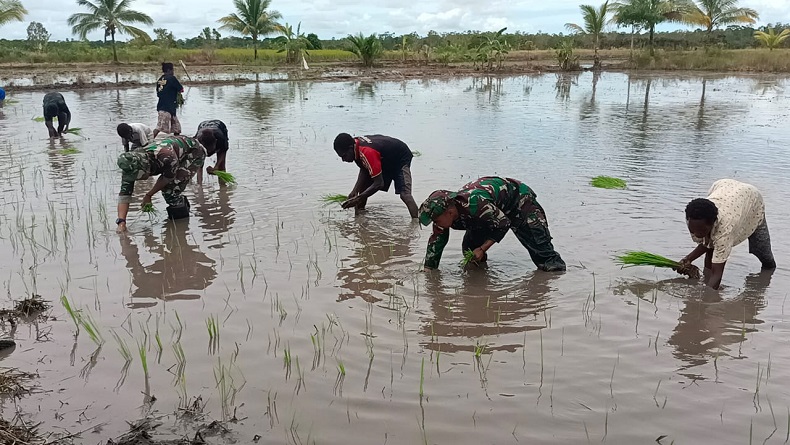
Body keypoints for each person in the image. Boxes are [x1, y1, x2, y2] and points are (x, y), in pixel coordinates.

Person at [418, 176, 566, 272]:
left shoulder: (477, 204)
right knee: (470, 250)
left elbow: (504, 223)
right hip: (489, 213)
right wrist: (429, 270)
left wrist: (482, 248)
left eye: (436, 221)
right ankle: (481, 283)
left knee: (544, 254)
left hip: (519, 202)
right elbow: (436, 243)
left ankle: (557, 290)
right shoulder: (445, 215)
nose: (435, 224)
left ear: (449, 213)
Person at [679, 179, 775, 290]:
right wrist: (688, 259)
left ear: (712, 223)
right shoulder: (693, 216)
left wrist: (706, 296)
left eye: (700, 231)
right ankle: (706, 278)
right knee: (712, 247)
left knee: (764, 254)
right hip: (724, 187)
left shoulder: (725, 228)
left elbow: (717, 274)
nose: (695, 234)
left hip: (751, 200)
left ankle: (768, 278)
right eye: (692, 230)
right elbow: (708, 243)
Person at [115, 134, 210, 232]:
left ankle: (181, 226)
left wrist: (149, 195)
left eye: (140, 175)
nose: (139, 179)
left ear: (145, 166)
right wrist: (121, 222)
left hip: (193, 152)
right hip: (175, 152)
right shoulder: (129, 166)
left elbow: (167, 178)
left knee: (171, 190)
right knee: (169, 190)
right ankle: (180, 211)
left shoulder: (166, 156)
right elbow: (124, 195)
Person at [333, 133, 418, 218]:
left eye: (344, 156)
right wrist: (355, 190)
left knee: (405, 194)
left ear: (350, 148)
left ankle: (417, 221)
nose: (343, 160)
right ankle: (360, 219)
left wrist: (358, 199)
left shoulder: (367, 152)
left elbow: (379, 183)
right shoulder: (355, 146)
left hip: (400, 157)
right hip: (384, 158)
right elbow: (364, 168)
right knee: (363, 188)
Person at [153, 62, 184, 138]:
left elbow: (158, 93)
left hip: (164, 107)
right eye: (172, 70)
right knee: (160, 127)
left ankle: (177, 140)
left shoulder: (160, 80)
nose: (173, 72)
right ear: (169, 70)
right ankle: (149, 139)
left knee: (177, 128)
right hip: (167, 108)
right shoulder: (172, 78)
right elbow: (181, 89)